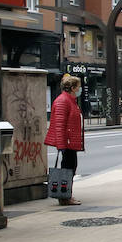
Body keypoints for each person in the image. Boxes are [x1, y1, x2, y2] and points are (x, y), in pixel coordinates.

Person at [44, 73, 85, 206]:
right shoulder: (63, 101)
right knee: (67, 168)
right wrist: (61, 144)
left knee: (71, 167)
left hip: (70, 142)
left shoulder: (70, 100)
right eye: (78, 87)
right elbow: (59, 124)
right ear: (72, 88)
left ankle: (66, 195)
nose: (79, 89)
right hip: (67, 143)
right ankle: (65, 196)